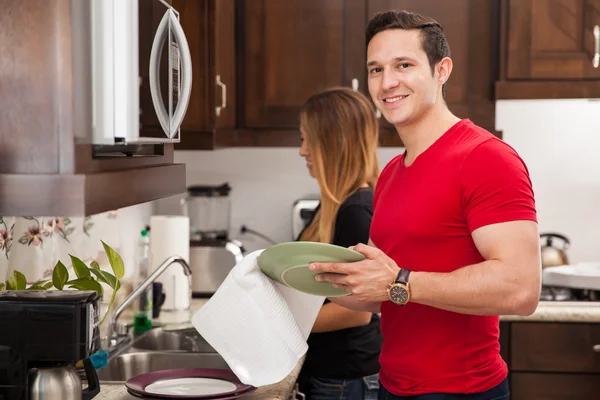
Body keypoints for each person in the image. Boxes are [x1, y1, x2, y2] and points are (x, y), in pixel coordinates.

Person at [308, 10, 541, 400]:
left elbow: (521, 289)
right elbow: (384, 296)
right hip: (391, 386)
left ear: (441, 70)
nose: (387, 82)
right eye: (376, 70)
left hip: (461, 392)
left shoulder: (486, 158)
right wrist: (306, 276)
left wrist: (400, 282)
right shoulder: (392, 173)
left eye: (404, 65)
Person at [296, 87, 383, 400]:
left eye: (308, 139)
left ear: (333, 143)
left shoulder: (356, 212)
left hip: (347, 379)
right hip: (332, 373)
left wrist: (282, 327)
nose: (302, 151)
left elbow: (357, 311)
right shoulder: (335, 204)